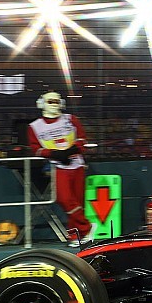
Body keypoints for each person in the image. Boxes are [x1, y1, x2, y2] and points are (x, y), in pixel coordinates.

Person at [27, 91, 93, 247]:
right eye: (50, 101)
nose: (54, 104)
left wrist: (71, 151)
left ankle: (76, 236)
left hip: (77, 163)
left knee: (77, 201)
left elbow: (82, 140)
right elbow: (36, 149)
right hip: (57, 166)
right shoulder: (34, 127)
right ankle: (87, 226)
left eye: (57, 101)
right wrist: (54, 154)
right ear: (41, 103)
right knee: (64, 199)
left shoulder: (71, 119)